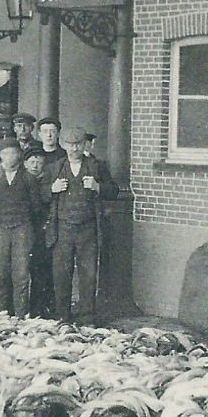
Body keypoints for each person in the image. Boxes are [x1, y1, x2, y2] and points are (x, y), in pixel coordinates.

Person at [44, 126, 119, 324]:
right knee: (62, 273)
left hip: (88, 229)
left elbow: (114, 191)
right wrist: (52, 189)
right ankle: (63, 316)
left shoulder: (96, 166)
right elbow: (39, 193)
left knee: (88, 274)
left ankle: (87, 317)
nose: (74, 149)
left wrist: (98, 187)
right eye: (70, 145)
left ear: (84, 144)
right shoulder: (56, 167)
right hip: (63, 229)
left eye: (78, 144)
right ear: (64, 145)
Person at [0, 137, 45, 316]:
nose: (9, 157)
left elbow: (36, 207)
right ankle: (1, 314)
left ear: (19, 155)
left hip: (22, 229)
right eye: (5, 153)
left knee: (21, 274)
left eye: (13, 153)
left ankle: (21, 315)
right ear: (0, 156)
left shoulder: (28, 177)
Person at [22, 145, 55, 317]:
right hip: (24, 230)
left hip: (42, 231)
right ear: (25, 164)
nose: (35, 165)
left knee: (42, 270)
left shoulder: (47, 183)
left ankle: (42, 309)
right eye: (32, 162)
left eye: (39, 162)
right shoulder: (21, 181)